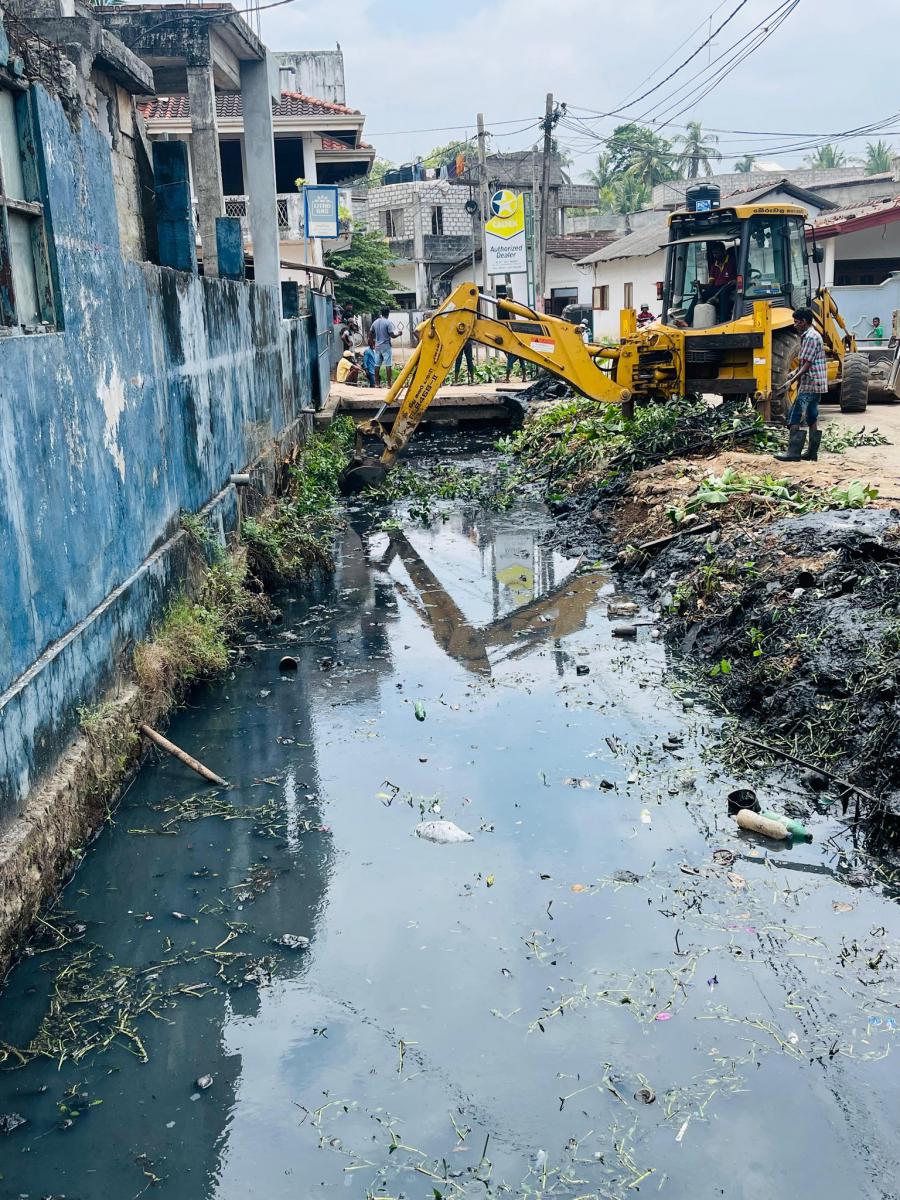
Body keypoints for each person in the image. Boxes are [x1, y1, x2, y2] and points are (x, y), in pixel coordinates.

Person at [774, 307, 827, 462]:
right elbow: (804, 363)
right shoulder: (811, 335)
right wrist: (791, 374)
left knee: (795, 416)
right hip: (817, 383)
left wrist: (793, 379)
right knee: (812, 416)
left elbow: (807, 365)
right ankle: (812, 453)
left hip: (810, 383)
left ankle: (793, 453)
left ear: (804, 322)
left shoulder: (810, 337)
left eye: (797, 322)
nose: (795, 325)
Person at [370, 306, 402, 386]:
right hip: (386, 346)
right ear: (388, 313)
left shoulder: (375, 322)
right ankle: (389, 384)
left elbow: (370, 334)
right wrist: (399, 334)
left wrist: (373, 344)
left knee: (377, 365)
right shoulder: (388, 323)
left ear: (381, 312)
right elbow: (392, 335)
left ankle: (377, 384)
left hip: (377, 347)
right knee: (388, 365)